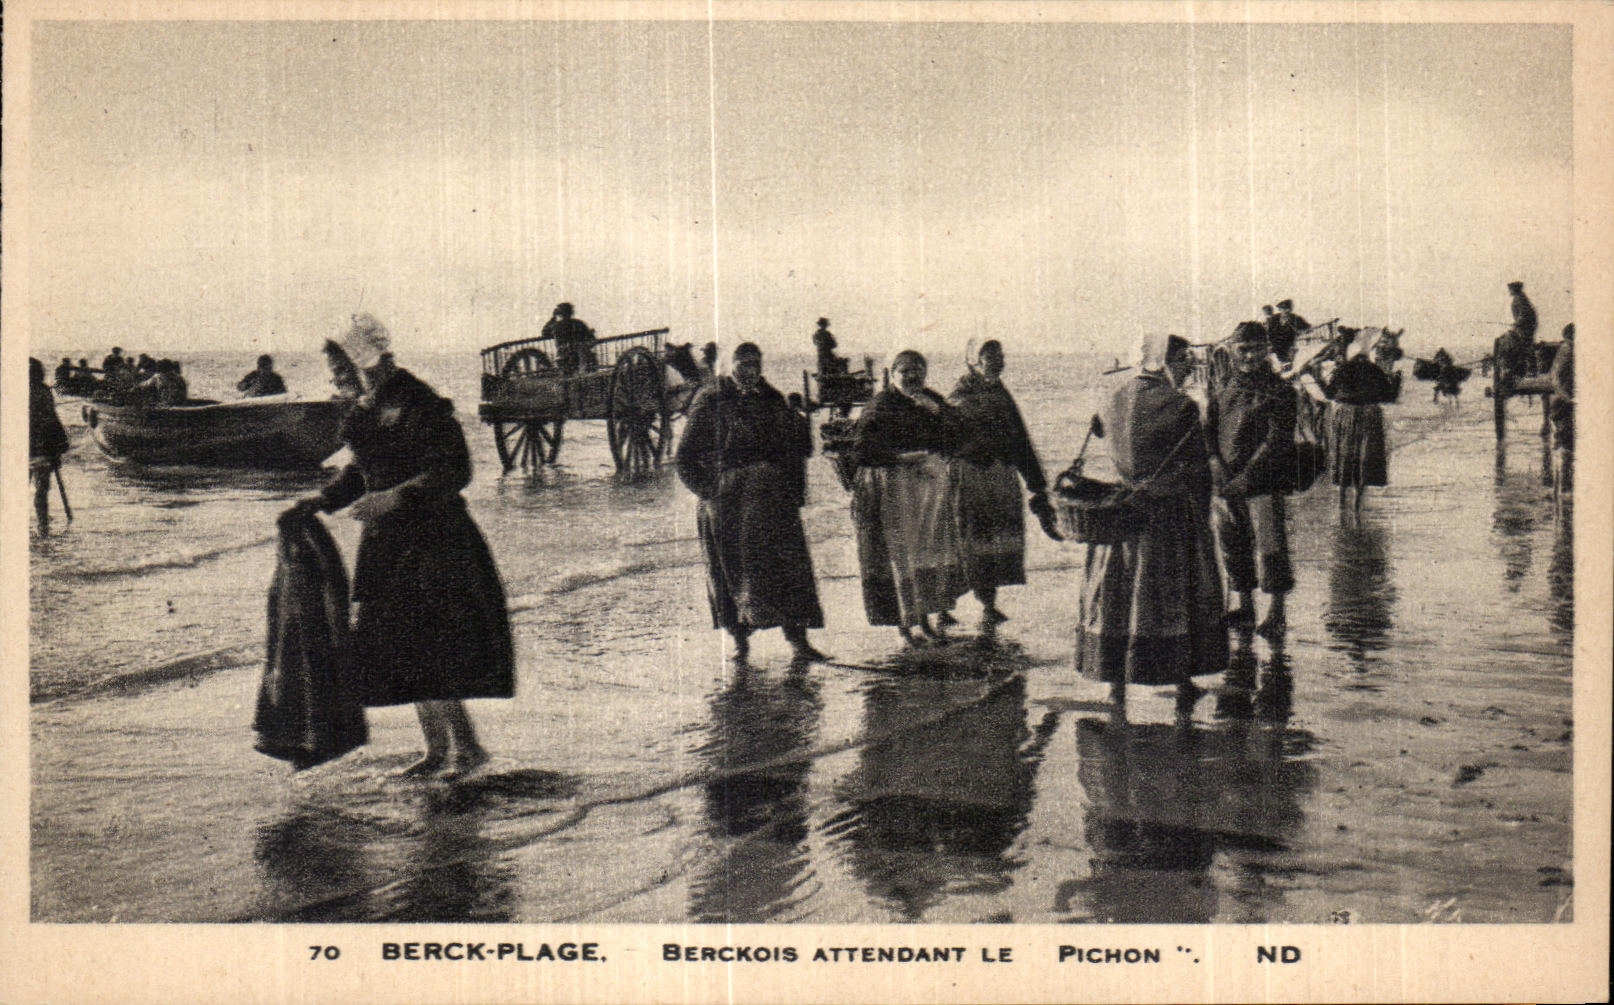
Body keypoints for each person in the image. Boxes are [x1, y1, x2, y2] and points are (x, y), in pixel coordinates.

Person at [287, 313, 514, 779]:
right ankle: (442, 750)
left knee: (429, 646)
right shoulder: (372, 407)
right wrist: (323, 500)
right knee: (405, 647)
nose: (337, 383)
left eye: (341, 373)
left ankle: (465, 749)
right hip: (389, 545)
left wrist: (393, 498)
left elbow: (453, 471)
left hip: (435, 541)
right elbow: (362, 471)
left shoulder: (420, 404)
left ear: (366, 364)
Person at [1074, 333, 1225, 708]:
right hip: (1167, 514)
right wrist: (1203, 513)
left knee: (1117, 597)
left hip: (1120, 511)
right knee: (1170, 598)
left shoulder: (1111, 399)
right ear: (1162, 362)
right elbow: (1196, 468)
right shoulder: (1182, 406)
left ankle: (1115, 687)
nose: (1189, 366)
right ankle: (1182, 682)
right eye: (1183, 359)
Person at [675, 342, 826, 663]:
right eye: (742, 364)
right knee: (733, 572)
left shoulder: (772, 399)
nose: (749, 371)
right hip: (729, 504)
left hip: (772, 502)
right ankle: (740, 644)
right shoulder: (710, 400)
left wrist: (800, 423)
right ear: (728, 366)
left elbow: (795, 451)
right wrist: (709, 491)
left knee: (788, 569)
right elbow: (684, 458)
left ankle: (799, 642)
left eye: (754, 364)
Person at [849, 349, 964, 647]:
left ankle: (925, 622)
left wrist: (938, 413)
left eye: (919, 370)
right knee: (902, 558)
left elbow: (960, 435)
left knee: (929, 554)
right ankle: (905, 627)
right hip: (897, 489)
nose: (913, 376)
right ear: (893, 373)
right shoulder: (880, 406)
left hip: (929, 490)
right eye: (906, 371)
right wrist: (900, 458)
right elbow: (861, 452)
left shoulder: (932, 399)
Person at [946, 339, 1062, 633]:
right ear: (973, 359)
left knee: (992, 544)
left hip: (999, 476)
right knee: (969, 541)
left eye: (1001, 355)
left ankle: (987, 606)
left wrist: (1037, 484)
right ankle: (948, 607)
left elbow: (1020, 439)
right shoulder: (961, 394)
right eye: (990, 356)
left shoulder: (999, 392)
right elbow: (946, 436)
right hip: (971, 477)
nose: (999, 361)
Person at [1206, 322, 1298, 637]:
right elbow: (1209, 430)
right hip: (1226, 482)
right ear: (1232, 350)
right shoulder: (1223, 388)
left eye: (1256, 349)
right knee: (1233, 543)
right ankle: (1244, 605)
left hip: (1263, 482)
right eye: (1242, 349)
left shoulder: (1281, 390)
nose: (1249, 356)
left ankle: (1276, 612)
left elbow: (1276, 440)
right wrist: (1215, 463)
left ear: (1267, 350)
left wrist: (1247, 477)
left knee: (1270, 547)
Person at [1323, 329, 1396, 513]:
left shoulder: (1341, 369)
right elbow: (1388, 396)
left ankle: (1342, 501)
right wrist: (1396, 380)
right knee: (1365, 457)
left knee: (1345, 456)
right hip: (1369, 414)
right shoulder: (1375, 369)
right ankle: (1358, 502)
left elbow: (1329, 394)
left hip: (1345, 413)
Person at [30, 357, 71, 536]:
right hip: (41, 446)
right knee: (41, 488)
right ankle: (42, 524)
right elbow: (51, 419)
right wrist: (59, 443)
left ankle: (40, 524)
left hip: (28, 446)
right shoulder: (43, 391)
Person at [1547, 323, 1574, 495]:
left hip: (1562, 402)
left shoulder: (1566, 350)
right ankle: (1562, 489)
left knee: (1563, 444)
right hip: (1563, 403)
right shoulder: (1568, 351)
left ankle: (1561, 487)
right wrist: (1569, 398)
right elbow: (1556, 380)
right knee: (1564, 444)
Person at [543, 302, 596, 375]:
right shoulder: (578, 323)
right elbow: (591, 338)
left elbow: (544, 333)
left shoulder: (556, 326)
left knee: (567, 376)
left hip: (565, 356)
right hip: (577, 355)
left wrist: (553, 318)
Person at [1270, 300, 1309, 364]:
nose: (1286, 311)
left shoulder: (1296, 318)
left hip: (1290, 344)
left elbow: (1307, 328)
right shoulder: (1274, 319)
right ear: (1279, 309)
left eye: (1288, 308)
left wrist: (1301, 332)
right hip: (1276, 345)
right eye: (1284, 309)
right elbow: (1270, 332)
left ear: (1291, 309)